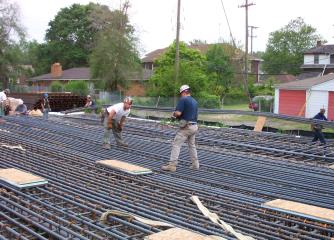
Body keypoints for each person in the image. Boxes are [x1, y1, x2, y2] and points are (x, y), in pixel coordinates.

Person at [161, 85, 199, 172]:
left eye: (181, 93)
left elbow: (178, 113)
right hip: (194, 126)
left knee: (176, 144)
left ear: (184, 92)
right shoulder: (194, 101)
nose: (180, 95)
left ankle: (172, 165)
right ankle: (195, 165)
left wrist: (173, 115)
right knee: (192, 145)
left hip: (187, 127)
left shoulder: (183, 99)